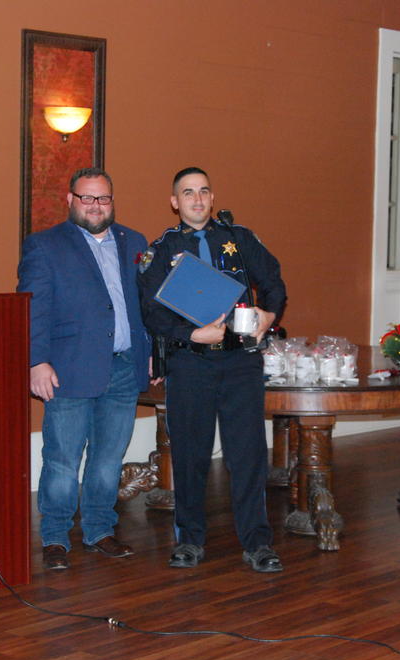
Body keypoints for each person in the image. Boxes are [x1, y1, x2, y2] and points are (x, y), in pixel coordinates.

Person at [137, 166, 287, 573]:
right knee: (190, 455)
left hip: (241, 362)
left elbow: (273, 281)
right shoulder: (161, 251)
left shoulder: (238, 238)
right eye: (188, 193)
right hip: (190, 364)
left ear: (212, 197)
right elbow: (151, 313)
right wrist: (191, 334)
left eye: (203, 191)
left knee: (248, 455)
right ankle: (189, 540)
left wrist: (268, 315)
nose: (197, 200)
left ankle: (257, 542)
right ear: (175, 202)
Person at [17, 167, 151, 570]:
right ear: (70, 199)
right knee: (62, 459)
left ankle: (99, 530)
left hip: (125, 368)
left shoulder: (135, 243)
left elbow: (147, 305)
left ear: (112, 201)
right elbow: (32, 308)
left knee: (109, 458)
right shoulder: (44, 245)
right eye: (87, 198)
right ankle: (56, 537)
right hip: (69, 368)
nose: (96, 206)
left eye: (103, 199)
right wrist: (35, 361)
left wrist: (151, 352)